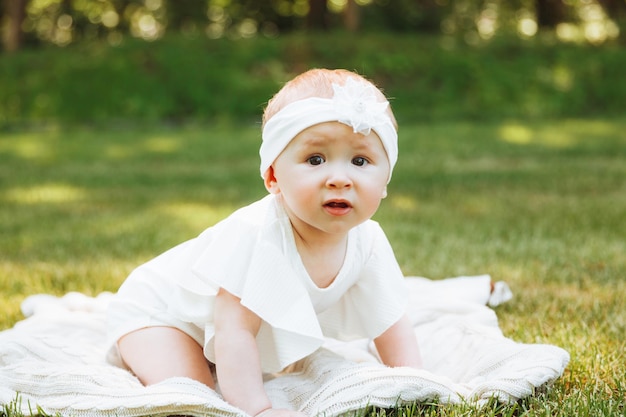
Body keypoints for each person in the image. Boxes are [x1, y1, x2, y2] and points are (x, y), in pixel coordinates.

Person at [106, 68, 422, 417]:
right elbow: (234, 330)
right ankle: (155, 356)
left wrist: (414, 381)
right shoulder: (257, 235)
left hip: (226, 333)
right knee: (195, 393)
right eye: (315, 160)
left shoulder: (369, 241)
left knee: (226, 371)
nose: (338, 179)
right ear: (273, 176)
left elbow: (391, 320)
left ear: (386, 180)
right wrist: (257, 410)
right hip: (161, 314)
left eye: (360, 161)